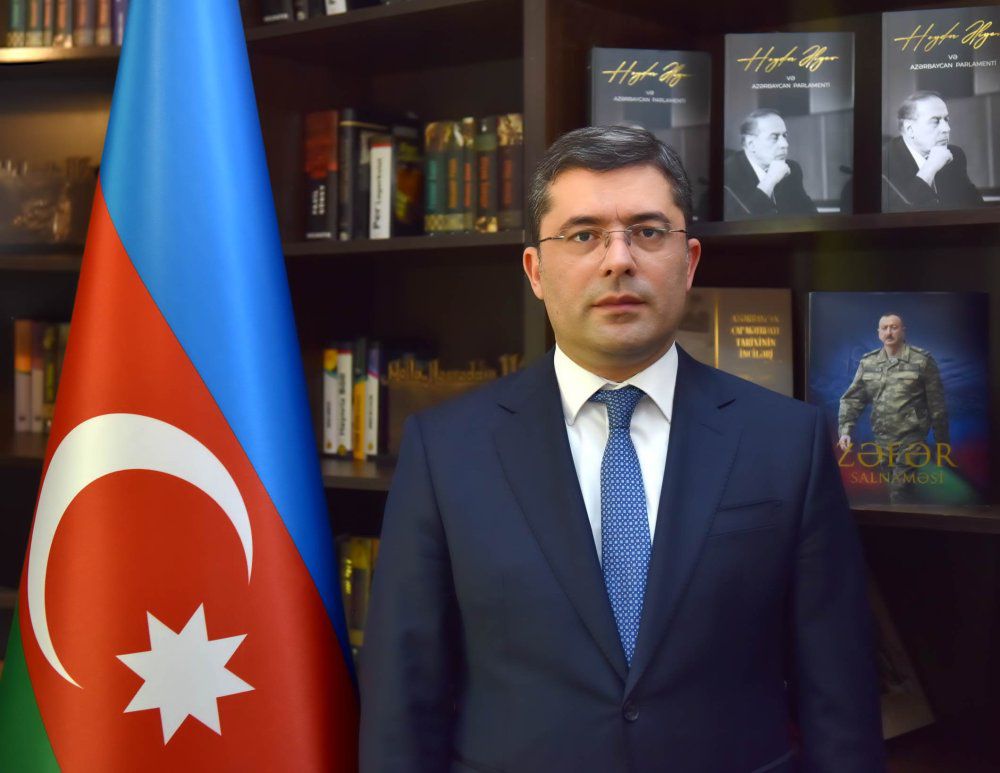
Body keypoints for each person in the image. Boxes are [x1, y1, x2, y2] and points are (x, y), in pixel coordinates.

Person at [359, 125, 883, 773]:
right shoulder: (446, 450)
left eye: (648, 231)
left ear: (689, 261)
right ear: (535, 271)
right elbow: (402, 700)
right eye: (583, 235)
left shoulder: (787, 442)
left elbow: (840, 702)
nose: (619, 260)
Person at [838, 313, 949, 505]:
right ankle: (909, 521)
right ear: (878, 333)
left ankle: (902, 523)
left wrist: (942, 441)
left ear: (903, 331)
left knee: (900, 489)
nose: (889, 332)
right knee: (894, 489)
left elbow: (936, 404)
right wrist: (845, 430)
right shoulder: (868, 362)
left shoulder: (922, 360)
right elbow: (853, 399)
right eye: (885, 328)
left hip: (912, 437)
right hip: (882, 437)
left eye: (894, 327)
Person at [882, 91, 983, 211]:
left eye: (946, 120)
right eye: (935, 121)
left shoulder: (954, 155)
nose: (947, 128)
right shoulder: (885, 161)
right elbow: (900, 214)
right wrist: (930, 168)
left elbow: (976, 207)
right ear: (910, 129)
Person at [724, 108, 818, 219]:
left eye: (784, 136)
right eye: (774, 137)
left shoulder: (792, 168)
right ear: (751, 144)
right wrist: (770, 180)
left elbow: (811, 215)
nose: (785, 144)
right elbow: (739, 222)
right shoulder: (727, 173)